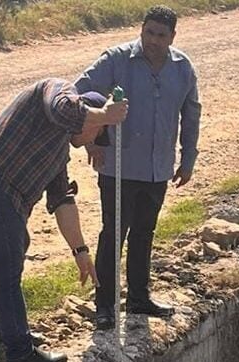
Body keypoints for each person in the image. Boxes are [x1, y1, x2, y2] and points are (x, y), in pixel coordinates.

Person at [0, 79, 128, 362]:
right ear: (92, 114)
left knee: (13, 252)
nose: (95, 138)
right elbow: (63, 109)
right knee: (7, 263)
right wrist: (105, 115)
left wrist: (81, 252)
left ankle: (3, 334)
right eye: (99, 131)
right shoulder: (55, 91)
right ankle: (19, 352)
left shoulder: (59, 154)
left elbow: (62, 202)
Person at [75, 5, 202, 330]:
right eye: (149, 32)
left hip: (158, 168)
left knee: (145, 233)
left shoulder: (182, 68)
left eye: (161, 35)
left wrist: (187, 160)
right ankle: (104, 306)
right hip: (118, 166)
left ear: (172, 36)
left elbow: (191, 115)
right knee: (113, 234)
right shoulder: (117, 60)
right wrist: (93, 139)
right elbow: (78, 96)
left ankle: (139, 298)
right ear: (141, 30)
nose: (153, 41)